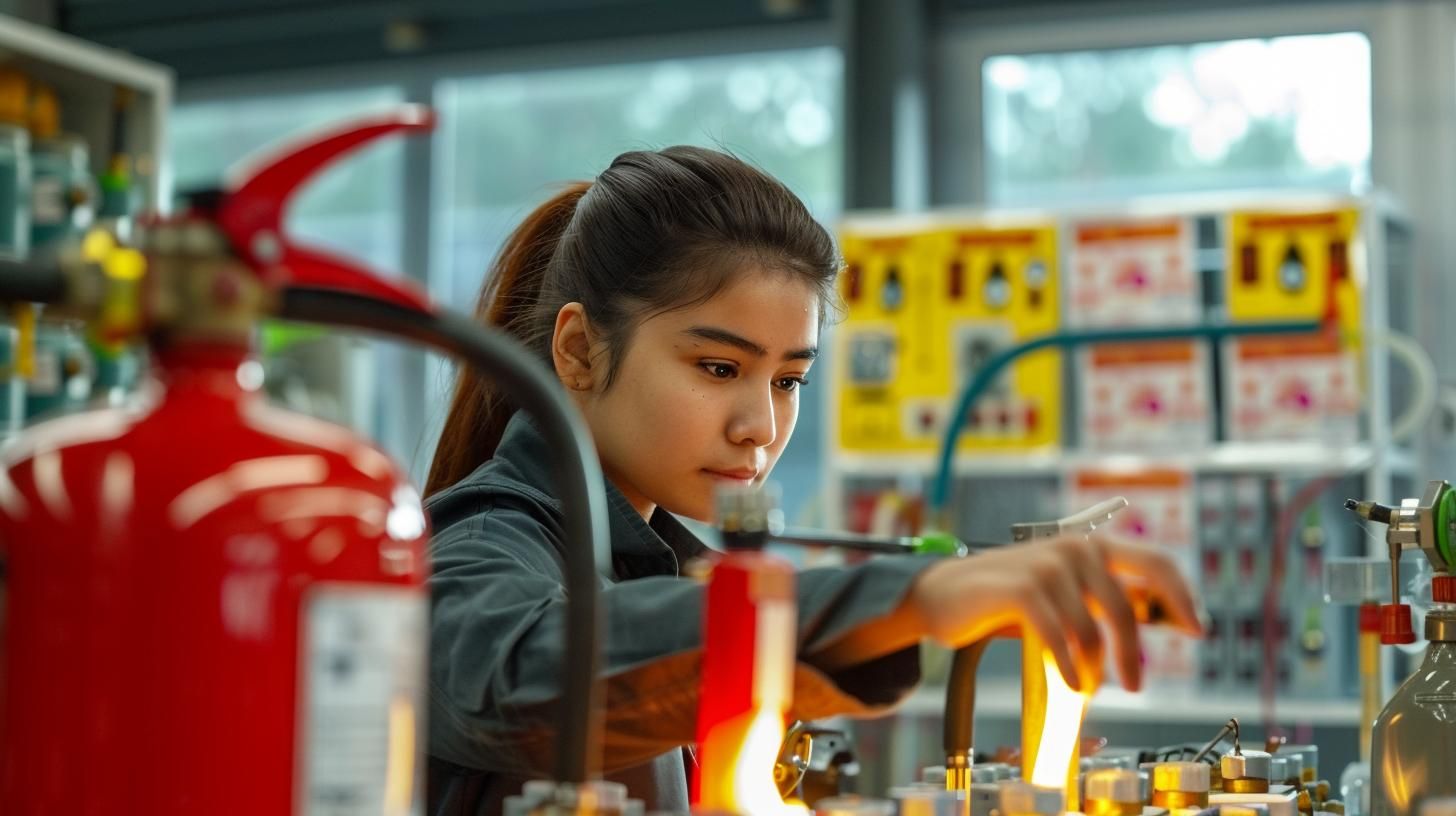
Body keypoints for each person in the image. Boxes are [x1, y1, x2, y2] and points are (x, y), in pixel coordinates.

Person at [423, 146, 1203, 815]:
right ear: (581, 351)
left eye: (789, 380)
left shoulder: (643, 561)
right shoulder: (479, 548)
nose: (759, 425)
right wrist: (916, 596)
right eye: (719, 368)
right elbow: (523, 682)